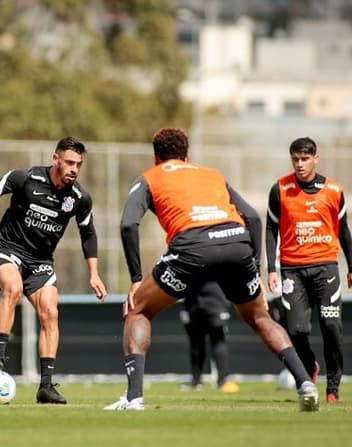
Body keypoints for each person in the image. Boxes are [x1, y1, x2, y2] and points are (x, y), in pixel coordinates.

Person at [104, 127, 319, 412]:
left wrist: (134, 279)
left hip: (192, 247)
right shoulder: (212, 174)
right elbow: (253, 218)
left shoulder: (149, 177)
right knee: (259, 316)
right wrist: (254, 267)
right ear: (187, 154)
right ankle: (305, 383)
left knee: (138, 310)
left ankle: (134, 398)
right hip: (236, 243)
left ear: (156, 157)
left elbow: (128, 224)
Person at [0, 136, 107, 404]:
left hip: (41, 261)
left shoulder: (79, 198)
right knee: (13, 287)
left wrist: (94, 273)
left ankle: (45, 386)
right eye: (69, 162)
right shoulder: (26, 178)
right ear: (55, 158)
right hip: (8, 248)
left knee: (50, 311)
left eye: (79, 164)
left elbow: (88, 234)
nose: (74, 169)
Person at [265, 136, 352, 404]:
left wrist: (351, 265)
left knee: (331, 327)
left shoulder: (334, 191)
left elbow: (344, 230)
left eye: (305, 159)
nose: (300, 164)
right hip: (292, 269)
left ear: (316, 158)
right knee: (297, 329)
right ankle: (310, 365)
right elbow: (270, 229)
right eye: (295, 159)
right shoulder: (280, 189)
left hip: (325, 268)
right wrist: (271, 268)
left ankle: (333, 387)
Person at [178, 281, 239, 393]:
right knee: (196, 343)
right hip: (193, 303)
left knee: (218, 341)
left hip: (216, 302)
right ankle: (196, 381)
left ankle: (223, 380)